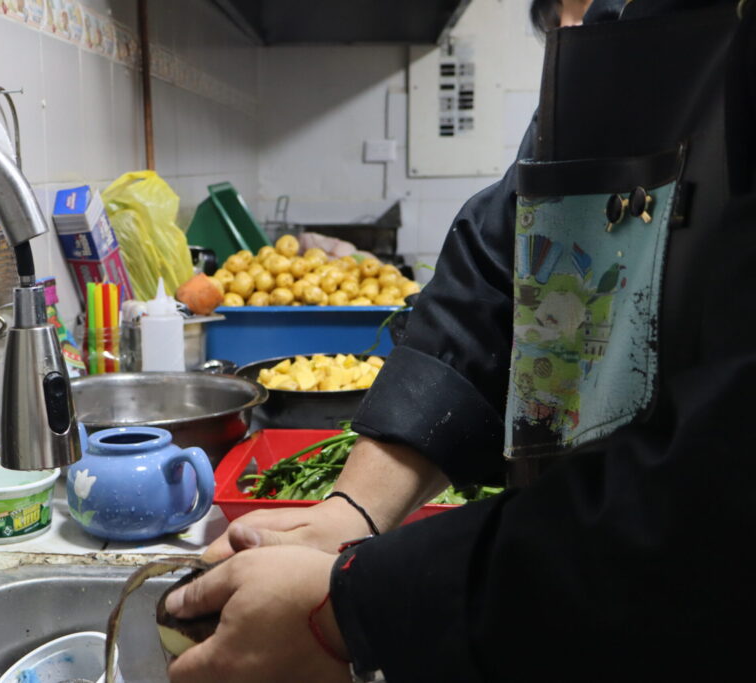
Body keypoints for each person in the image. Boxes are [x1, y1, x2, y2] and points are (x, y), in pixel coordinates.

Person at [163, 0, 756, 681]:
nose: (578, 25)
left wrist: (350, 607)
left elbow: (720, 492)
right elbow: (501, 277)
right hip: (559, 614)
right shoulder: (624, 42)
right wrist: (349, 514)